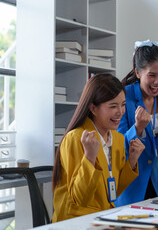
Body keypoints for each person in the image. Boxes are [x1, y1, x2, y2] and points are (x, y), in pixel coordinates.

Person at [52, 74, 145, 222]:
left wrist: (132, 160)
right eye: (113, 106)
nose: (120, 112)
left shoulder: (118, 138)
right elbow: (80, 199)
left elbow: (113, 192)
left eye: (123, 104)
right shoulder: (76, 138)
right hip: (76, 222)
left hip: (104, 219)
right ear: (93, 108)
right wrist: (90, 156)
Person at [115, 40, 158, 206]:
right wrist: (137, 128)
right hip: (129, 179)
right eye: (152, 75)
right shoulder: (123, 96)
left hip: (155, 180)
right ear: (138, 73)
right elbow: (118, 143)